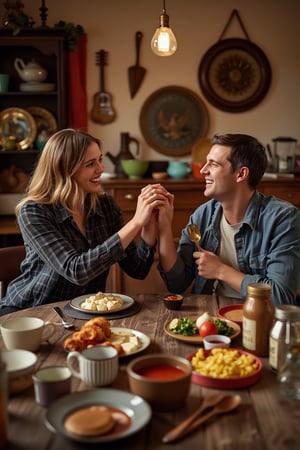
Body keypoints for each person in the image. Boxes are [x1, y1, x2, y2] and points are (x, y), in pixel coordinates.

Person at [0, 129, 171, 315]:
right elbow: (77, 271)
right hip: (29, 311)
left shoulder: (105, 205)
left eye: (100, 159)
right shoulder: (34, 211)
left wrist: (149, 224)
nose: (101, 168)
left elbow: (137, 269)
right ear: (65, 170)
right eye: (91, 164)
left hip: (81, 313)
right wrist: (135, 223)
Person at [157, 133, 300, 306]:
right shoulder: (202, 215)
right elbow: (177, 285)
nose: (203, 170)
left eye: (214, 164)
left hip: (260, 320)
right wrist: (164, 228)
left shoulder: (283, 219)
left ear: (241, 174)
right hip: (211, 317)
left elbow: (280, 297)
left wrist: (221, 271)